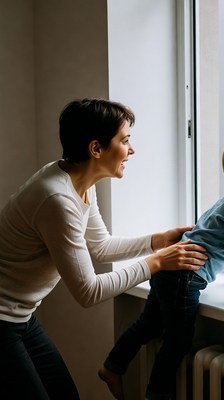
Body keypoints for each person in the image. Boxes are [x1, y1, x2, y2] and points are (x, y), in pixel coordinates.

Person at [0, 98, 208, 400]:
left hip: (21, 318)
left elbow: (99, 246)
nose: (131, 150)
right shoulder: (57, 199)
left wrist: (157, 240)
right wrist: (156, 263)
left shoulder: (78, 182)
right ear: (96, 149)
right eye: (125, 141)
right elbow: (88, 292)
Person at [99, 137, 224, 400]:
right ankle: (156, 394)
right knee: (178, 340)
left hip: (169, 269)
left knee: (148, 324)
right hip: (185, 278)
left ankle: (111, 366)